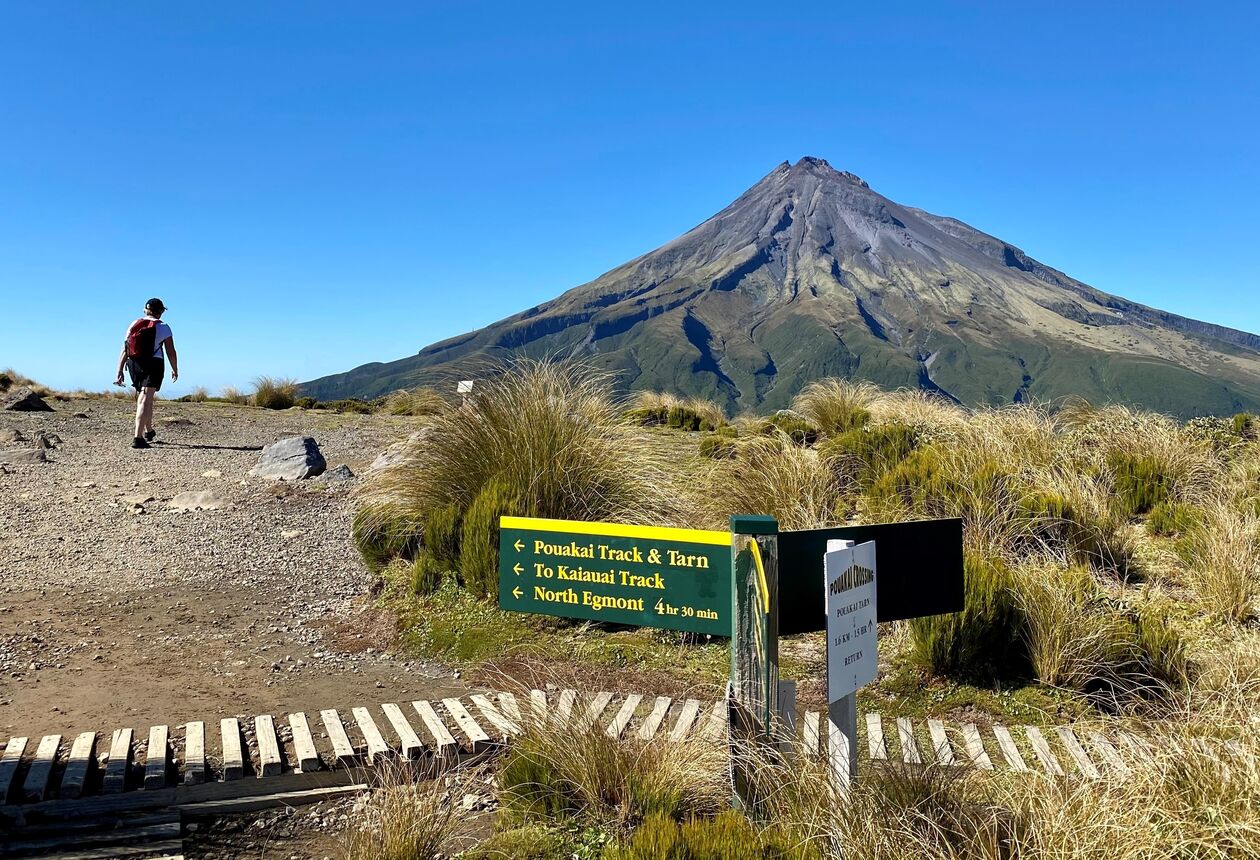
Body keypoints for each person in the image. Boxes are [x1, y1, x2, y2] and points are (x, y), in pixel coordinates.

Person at [114, 298, 179, 449]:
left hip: (134, 363)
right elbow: (170, 351)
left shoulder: (134, 324)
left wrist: (119, 370)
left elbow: (125, 348)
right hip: (154, 363)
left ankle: (149, 431)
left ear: (145, 310)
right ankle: (138, 438)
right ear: (161, 311)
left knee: (145, 398)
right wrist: (175, 369)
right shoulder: (163, 327)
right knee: (145, 399)